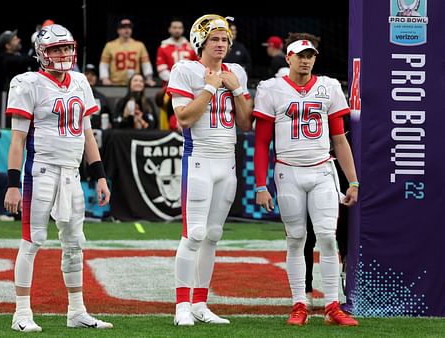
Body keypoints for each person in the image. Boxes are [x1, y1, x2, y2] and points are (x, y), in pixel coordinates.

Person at [3, 24, 112, 332]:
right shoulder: (28, 83)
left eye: (66, 48)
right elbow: (17, 140)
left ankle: (76, 310)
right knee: (33, 240)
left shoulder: (79, 81)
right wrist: (12, 183)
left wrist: (100, 176)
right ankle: (21, 313)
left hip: (71, 174)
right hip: (41, 172)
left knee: (75, 243)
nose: (63, 54)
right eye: (55, 49)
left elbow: (87, 133)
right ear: (42, 53)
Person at [253, 32, 359, 326]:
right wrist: (261, 184)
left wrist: (353, 180)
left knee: (326, 236)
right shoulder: (271, 89)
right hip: (288, 172)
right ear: (288, 57)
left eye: (310, 55)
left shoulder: (328, 87)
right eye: (300, 55)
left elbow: (339, 139)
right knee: (296, 239)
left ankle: (332, 305)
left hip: (322, 170)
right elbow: (262, 142)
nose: (305, 60)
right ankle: (299, 303)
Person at [167, 14, 253, 326]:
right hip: (199, 159)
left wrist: (237, 91)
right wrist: (210, 88)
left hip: (227, 162)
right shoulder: (185, 69)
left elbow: (246, 123)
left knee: (213, 235)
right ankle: (182, 305)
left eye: (225, 39)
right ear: (200, 42)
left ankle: (201, 303)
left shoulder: (237, 72)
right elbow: (184, 118)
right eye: (215, 39)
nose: (221, 44)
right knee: (194, 234)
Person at [99, 18, 155, 86]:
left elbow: (146, 64)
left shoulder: (139, 45)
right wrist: (105, 78)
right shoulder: (110, 45)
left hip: (134, 83)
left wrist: (149, 78)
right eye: (123, 28)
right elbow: (104, 64)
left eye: (129, 28)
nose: (127, 30)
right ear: (118, 30)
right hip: (115, 83)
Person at [83, 63, 112, 129]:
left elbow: (108, 117)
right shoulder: (75, 94)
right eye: (87, 74)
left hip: (97, 131)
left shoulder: (102, 98)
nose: (89, 77)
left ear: (96, 78)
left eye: (93, 75)